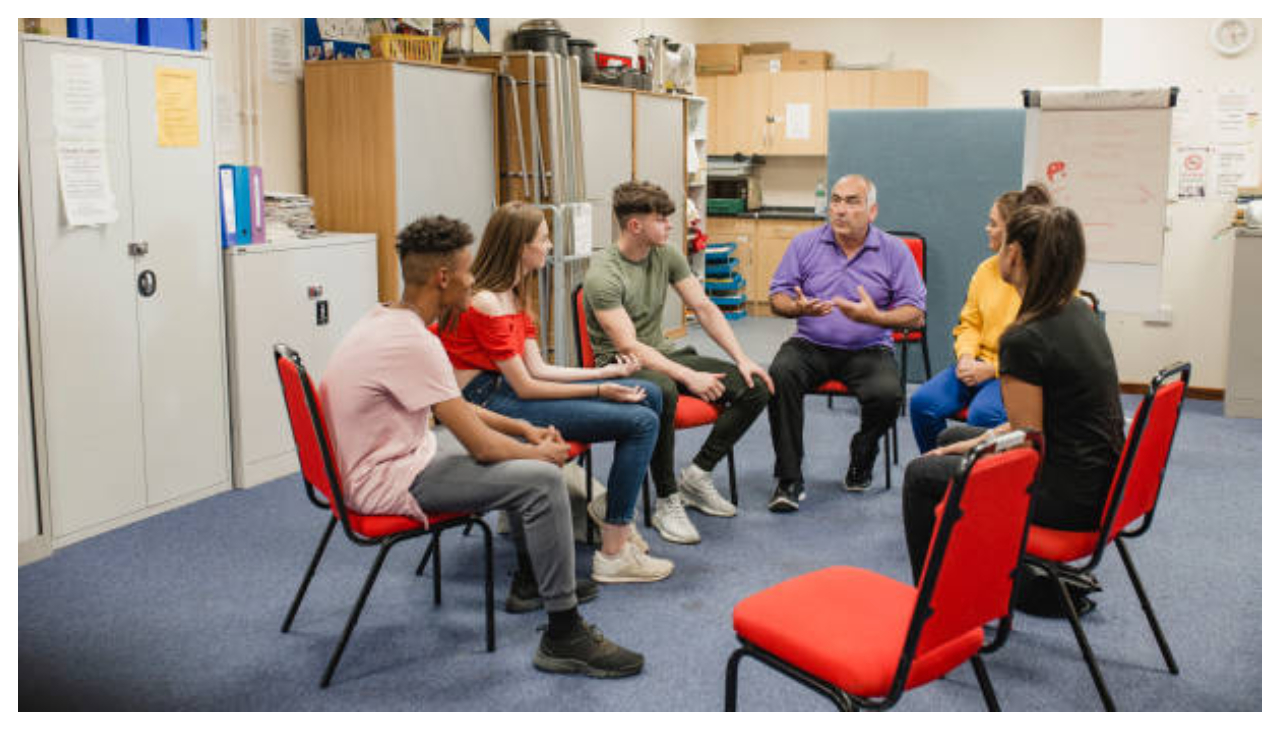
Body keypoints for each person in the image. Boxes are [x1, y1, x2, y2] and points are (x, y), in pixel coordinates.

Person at [322, 214, 644, 678]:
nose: (473, 283)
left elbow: (451, 410)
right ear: (443, 277)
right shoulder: (416, 344)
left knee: (519, 453)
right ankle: (564, 633)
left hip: (395, 457)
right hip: (389, 480)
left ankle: (534, 579)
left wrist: (521, 427)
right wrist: (541, 453)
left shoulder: (385, 320)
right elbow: (483, 448)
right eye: (469, 272)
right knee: (540, 479)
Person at [900, 204, 1125, 614]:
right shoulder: (1077, 310)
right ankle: (981, 578)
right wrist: (974, 443)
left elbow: (1026, 447)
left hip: (1067, 497)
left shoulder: (1025, 337)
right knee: (951, 437)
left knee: (921, 474)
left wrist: (977, 452)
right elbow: (1035, 425)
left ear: (1015, 255)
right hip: (1102, 479)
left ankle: (935, 610)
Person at [436, 201, 673, 585]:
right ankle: (614, 549)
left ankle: (611, 511)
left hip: (509, 391)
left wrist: (605, 371)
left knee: (649, 393)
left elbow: (539, 368)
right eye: (543, 240)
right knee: (642, 422)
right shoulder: (486, 302)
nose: (549, 247)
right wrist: (600, 388)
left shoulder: (514, 294)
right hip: (487, 403)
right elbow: (526, 386)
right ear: (519, 248)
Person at [583, 181, 773, 545]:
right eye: (662, 219)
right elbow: (628, 345)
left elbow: (703, 307)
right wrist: (689, 375)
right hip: (619, 365)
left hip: (663, 353)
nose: (671, 225)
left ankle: (697, 476)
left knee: (756, 386)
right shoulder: (603, 273)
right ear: (635, 225)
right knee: (664, 389)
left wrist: (743, 358)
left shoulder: (666, 255)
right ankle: (667, 499)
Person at [764, 174, 926, 512]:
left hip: (868, 348)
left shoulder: (893, 251)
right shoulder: (804, 244)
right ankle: (789, 478)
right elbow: (777, 297)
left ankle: (862, 457)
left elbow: (915, 313)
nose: (840, 210)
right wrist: (797, 307)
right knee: (779, 375)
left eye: (852, 202)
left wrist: (875, 318)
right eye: (835, 200)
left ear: (872, 211)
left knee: (888, 395)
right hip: (810, 344)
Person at [908, 183, 1052, 453]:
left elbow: (1038, 350)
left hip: (1010, 372)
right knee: (922, 404)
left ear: (1013, 232)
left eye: (993, 223)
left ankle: (978, 484)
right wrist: (965, 357)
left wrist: (993, 369)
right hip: (974, 364)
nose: (987, 228)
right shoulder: (985, 270)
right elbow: (969, 324)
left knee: (982, 416)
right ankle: (945, 473)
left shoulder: (1041, 280)